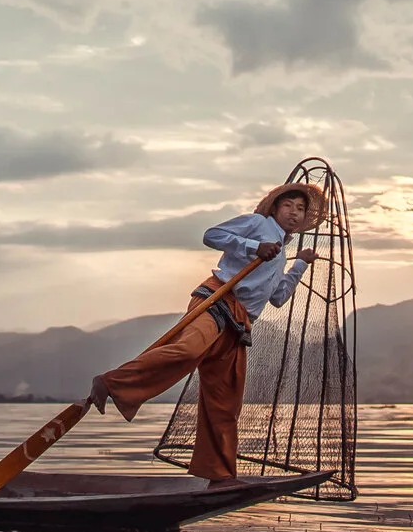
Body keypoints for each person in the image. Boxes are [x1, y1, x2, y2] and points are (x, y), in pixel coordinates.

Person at [84, 181, 325, 483]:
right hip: (216, 301)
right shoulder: (258, 224)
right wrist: (254, 247)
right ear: (275, 208)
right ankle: (111, 383)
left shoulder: (281, 255)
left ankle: (219, 475)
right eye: (287, 205)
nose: (293, 212)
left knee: (225, 402)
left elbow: (277, 298)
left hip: (239, 324)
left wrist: (299, 265)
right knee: (188, 350)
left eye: (300, 209)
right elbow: (212, 235)